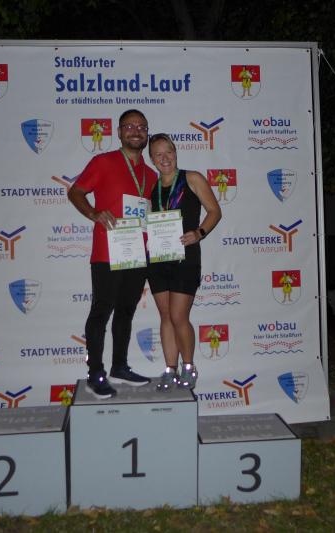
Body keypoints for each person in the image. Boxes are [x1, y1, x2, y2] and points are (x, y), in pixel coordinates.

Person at [68, 109, 157, 398]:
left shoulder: (151, 174)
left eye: (141, 127)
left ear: (147, 133)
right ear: (119, 132)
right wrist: (94, 213)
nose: (136, 131)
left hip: (137, 253)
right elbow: (75, 192)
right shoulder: (103, 162)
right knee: (101, 310)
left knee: (126, 311)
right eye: (129, 126)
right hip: (107, 252)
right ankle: (95, 372)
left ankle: (120, 366)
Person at [146, 133, 221, 390]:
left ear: (175, 152)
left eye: (169, 152)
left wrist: (199, 233)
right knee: (165, 315)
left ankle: (188, 366)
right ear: (152, 159)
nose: (165, 158)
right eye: (158, 154)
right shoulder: (150, 187)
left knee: (179, 316)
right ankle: (170, 369)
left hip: (185, 257)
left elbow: (215, 211)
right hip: (157, 259)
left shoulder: (192, 178)